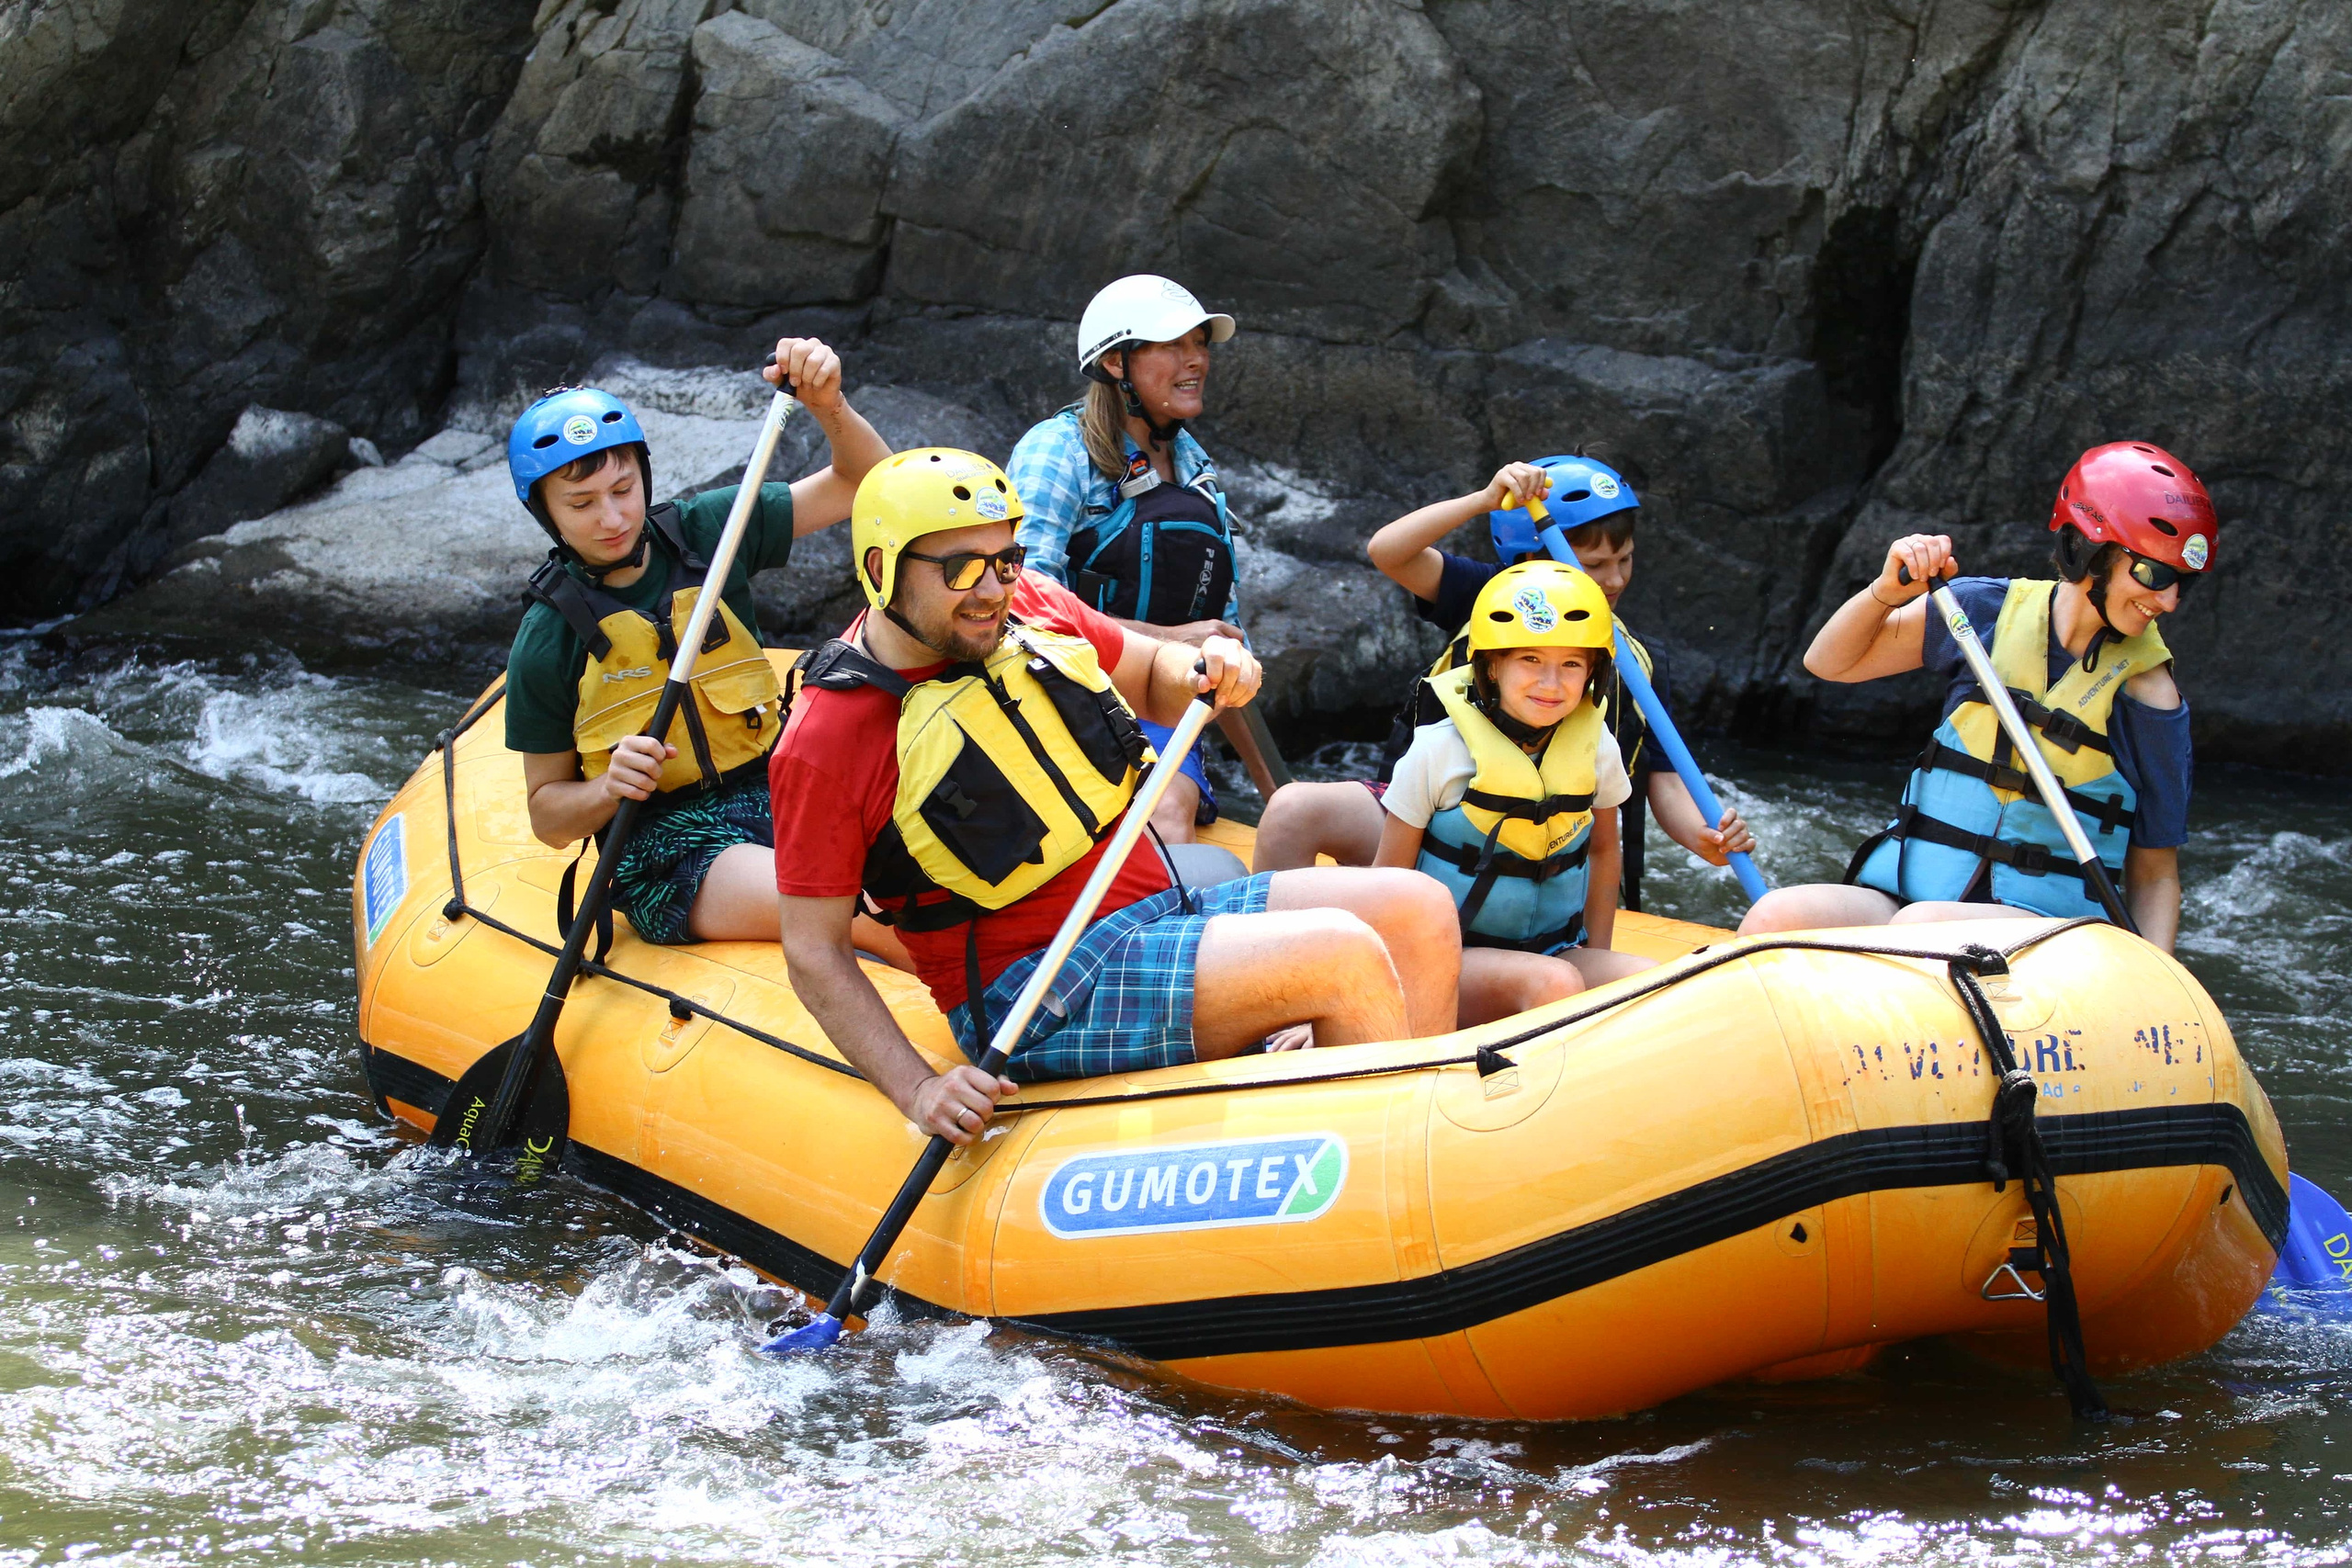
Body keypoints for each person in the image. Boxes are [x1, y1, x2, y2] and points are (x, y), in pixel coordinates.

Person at [769, 448, 1463, 1143]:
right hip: (1036, 992)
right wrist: (918, 1087)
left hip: (1158, 912)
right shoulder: (826, 738)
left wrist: (1201, 667)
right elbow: (814, 951)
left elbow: (1153, 672)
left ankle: (1416, 1153)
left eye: (1005, 558)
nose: (991, 588)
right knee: (1341, 954)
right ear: (881, 569)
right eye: (959, 568)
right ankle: (1391, 1183)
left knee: (1420, 909)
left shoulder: (1028, 606)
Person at [501, 337, 905, 961]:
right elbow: (547, 816)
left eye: (623, 489)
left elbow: (868, 483)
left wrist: (829, 405)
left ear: (644, 475)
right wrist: (608, 786)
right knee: (848, 909)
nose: (611, 517)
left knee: (923, 878)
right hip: (664, 843)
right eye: (581, 504)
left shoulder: (709, 530)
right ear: (546, 514)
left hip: (779, 788)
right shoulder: (548, 636)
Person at [1737, 441, 2211, 951]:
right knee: (1776, 917)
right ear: (2087, 550)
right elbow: (1828, 663)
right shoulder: (1978, 613)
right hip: (1912, 901)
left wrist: (2155, 981)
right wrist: (1885, 593)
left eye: (2181, 583)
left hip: (2055, 937)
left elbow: (2157, 871)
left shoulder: (2148, 693)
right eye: (2153, 574)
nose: (2168, 600)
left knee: (1920, 931)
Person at [1252, 456, 1755, 903]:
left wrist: (1703, 838)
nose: (1616, 580)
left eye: (1624, 560)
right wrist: (1484, 500)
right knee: (1295, 808)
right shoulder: (1489, 596)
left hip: (1540, 852)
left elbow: (1664, 779)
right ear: (1532, 557)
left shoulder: (1640, 661)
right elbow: (1389, 551)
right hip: (1421, 823)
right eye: (1596, 564)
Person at [1006, 275, 1279, 844]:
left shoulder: (1196, 470)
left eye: (1200, 343)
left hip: (1159, 719)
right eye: (1173, 344)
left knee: (1166, 801)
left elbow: (1224, 647)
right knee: (1151, 803)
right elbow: (1017, 605)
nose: (1196, 359)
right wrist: (1168, 640)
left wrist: (1279, 797)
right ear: (1115, 364)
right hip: (1051, 700)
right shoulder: (1057, 451)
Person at [1374, 560, 1657, 1022]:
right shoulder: (1437, 750)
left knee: (1662, 981)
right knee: (1553, 984)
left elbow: (1605, 852)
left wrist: (1595, 957)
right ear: (1491, 665)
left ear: (1593, 674)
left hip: (1557, 950)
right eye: (1531, 660)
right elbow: (1385, 885)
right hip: (1444, 961)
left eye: (1571, 664)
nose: (1551, 683)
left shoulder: (1596, 744)